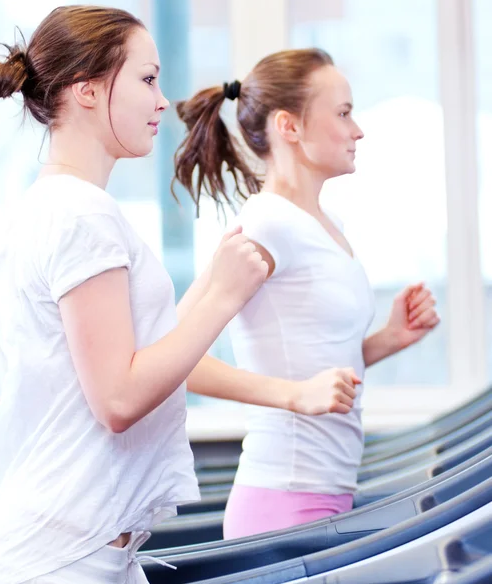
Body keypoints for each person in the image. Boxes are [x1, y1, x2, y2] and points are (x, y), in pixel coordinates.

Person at [0, 9, 359, 584]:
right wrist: (221, 295)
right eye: (147, 80)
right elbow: (120, 398)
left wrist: (71, 383)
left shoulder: (36, 209)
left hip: (91, 556)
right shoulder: (82, 215)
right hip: (57, 565)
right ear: (87, 90)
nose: (161, 101)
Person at [173, 47, 440, 539]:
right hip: (282, 504)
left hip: (328, 494)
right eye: (342, 113)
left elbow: (313, 364)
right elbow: (173, 355)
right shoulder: (267, 222)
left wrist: (389, 339)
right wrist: (294, 396)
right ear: (288, 126)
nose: (357, 130)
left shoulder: (323, 223)